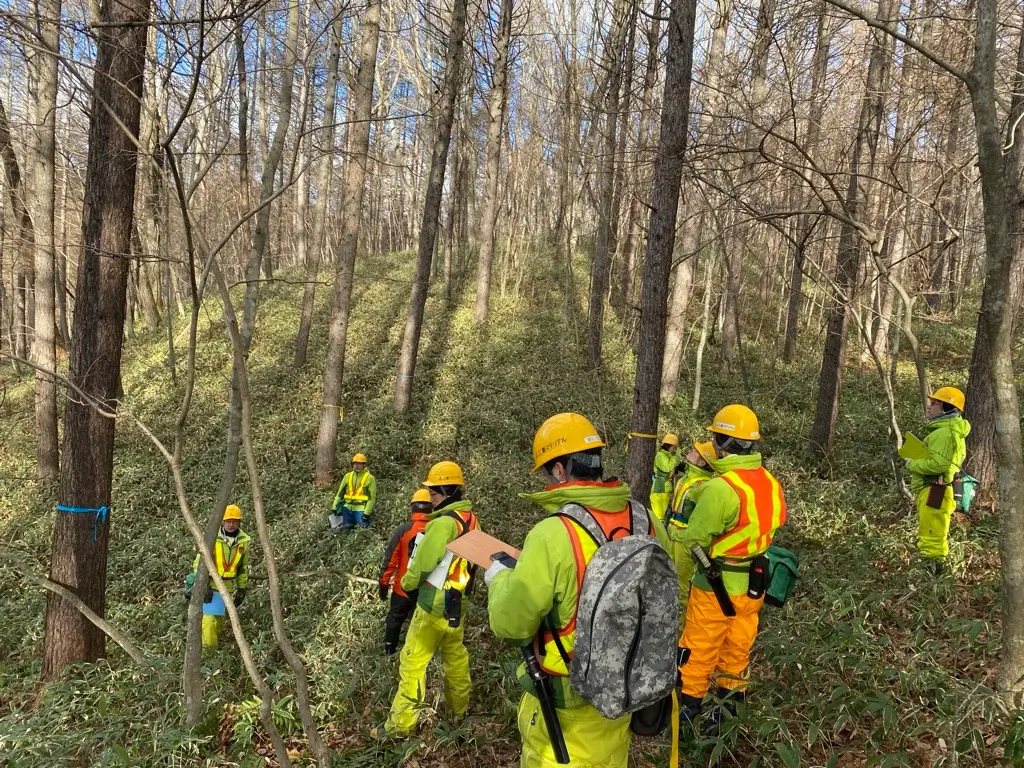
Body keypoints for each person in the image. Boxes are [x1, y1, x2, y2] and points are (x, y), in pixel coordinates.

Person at [484, 413, 674, 768]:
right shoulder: (646, 520)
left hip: (565, 708)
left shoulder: (553, 533)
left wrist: (498, 578)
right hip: (623, 695)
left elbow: (511, 625)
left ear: (559, 470)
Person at [676, 405, 786, 732]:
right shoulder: (770, 482)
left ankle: (685, 714)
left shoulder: (721, 489)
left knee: (699, 647)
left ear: (722, 441)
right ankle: (727, 714)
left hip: (715, 586)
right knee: (738, 647)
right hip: (754, 585)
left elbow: (693, 540)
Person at [376, 461, 478, 737]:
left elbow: (422, 564)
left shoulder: (443, 524)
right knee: (455, 658)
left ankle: (400, 727)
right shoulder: (469, 519)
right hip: (458, 602)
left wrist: (406, 583)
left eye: (433, 491)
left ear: (448, 489)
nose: (430, 497)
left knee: (412, 663)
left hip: (433, 605)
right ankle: (458, 711)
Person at [906, 386, 970, 575]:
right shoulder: (943, 431)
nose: (929, 407)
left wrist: (912, 463)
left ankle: (932, 575)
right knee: (931, 530)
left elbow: (939, 465)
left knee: (933, 534)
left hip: (937, 489)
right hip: (934, 488)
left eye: (935, 404)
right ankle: (930, 570)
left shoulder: (945, 433)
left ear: (948, 408)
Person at [184, 504, 251, 650]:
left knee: (218, 622)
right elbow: (198, 563)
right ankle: (210, 653)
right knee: (208, 622)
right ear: (223, 521)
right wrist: (202, 583)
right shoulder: (212, 538)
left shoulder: (243, 542)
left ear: (239, 522)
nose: (231, 524)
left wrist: (242, 588)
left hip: (226, 588)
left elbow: (242, 568)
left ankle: (212, 646)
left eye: (235, 521)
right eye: (228, 521)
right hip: (210, 585)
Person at [666, 440, 718, 624]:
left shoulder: (703, 486)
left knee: (681, 588)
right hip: (673, 537)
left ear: (703, 462)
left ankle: (679, 633)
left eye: (696, 451)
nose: (691, 451)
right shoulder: (687, 477)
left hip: (685, 543)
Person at [378, 488, 434, 655]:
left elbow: (390, 562)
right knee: (421, 622)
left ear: (413, 507)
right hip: (427, 590)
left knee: (395, 619)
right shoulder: (438, 530)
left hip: (402, 588)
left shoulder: (404, 530)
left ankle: (390, 649)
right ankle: (418, 651)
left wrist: (383, 584)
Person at [330, 453, 377, 530]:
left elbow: (372, 498)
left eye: (360, 464)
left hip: (361, 509)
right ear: (352, 464)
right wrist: (334, 506)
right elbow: (340, 493)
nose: (357, 465)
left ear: (364, 465)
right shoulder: (347, 476)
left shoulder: (370, 478)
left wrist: (367, 513)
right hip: (347, 508)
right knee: (345, 531)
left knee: (363, 531)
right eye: (355, 463)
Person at [650, 432, 680, 521]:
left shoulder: (668, 456)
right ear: (670, 446)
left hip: (665, 488)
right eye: (674, 447)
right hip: (659, 488)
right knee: (659, 518)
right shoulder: (660, 456)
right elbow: (667, 468)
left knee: (663, 515)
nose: (675, 450)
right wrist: (675, 458)